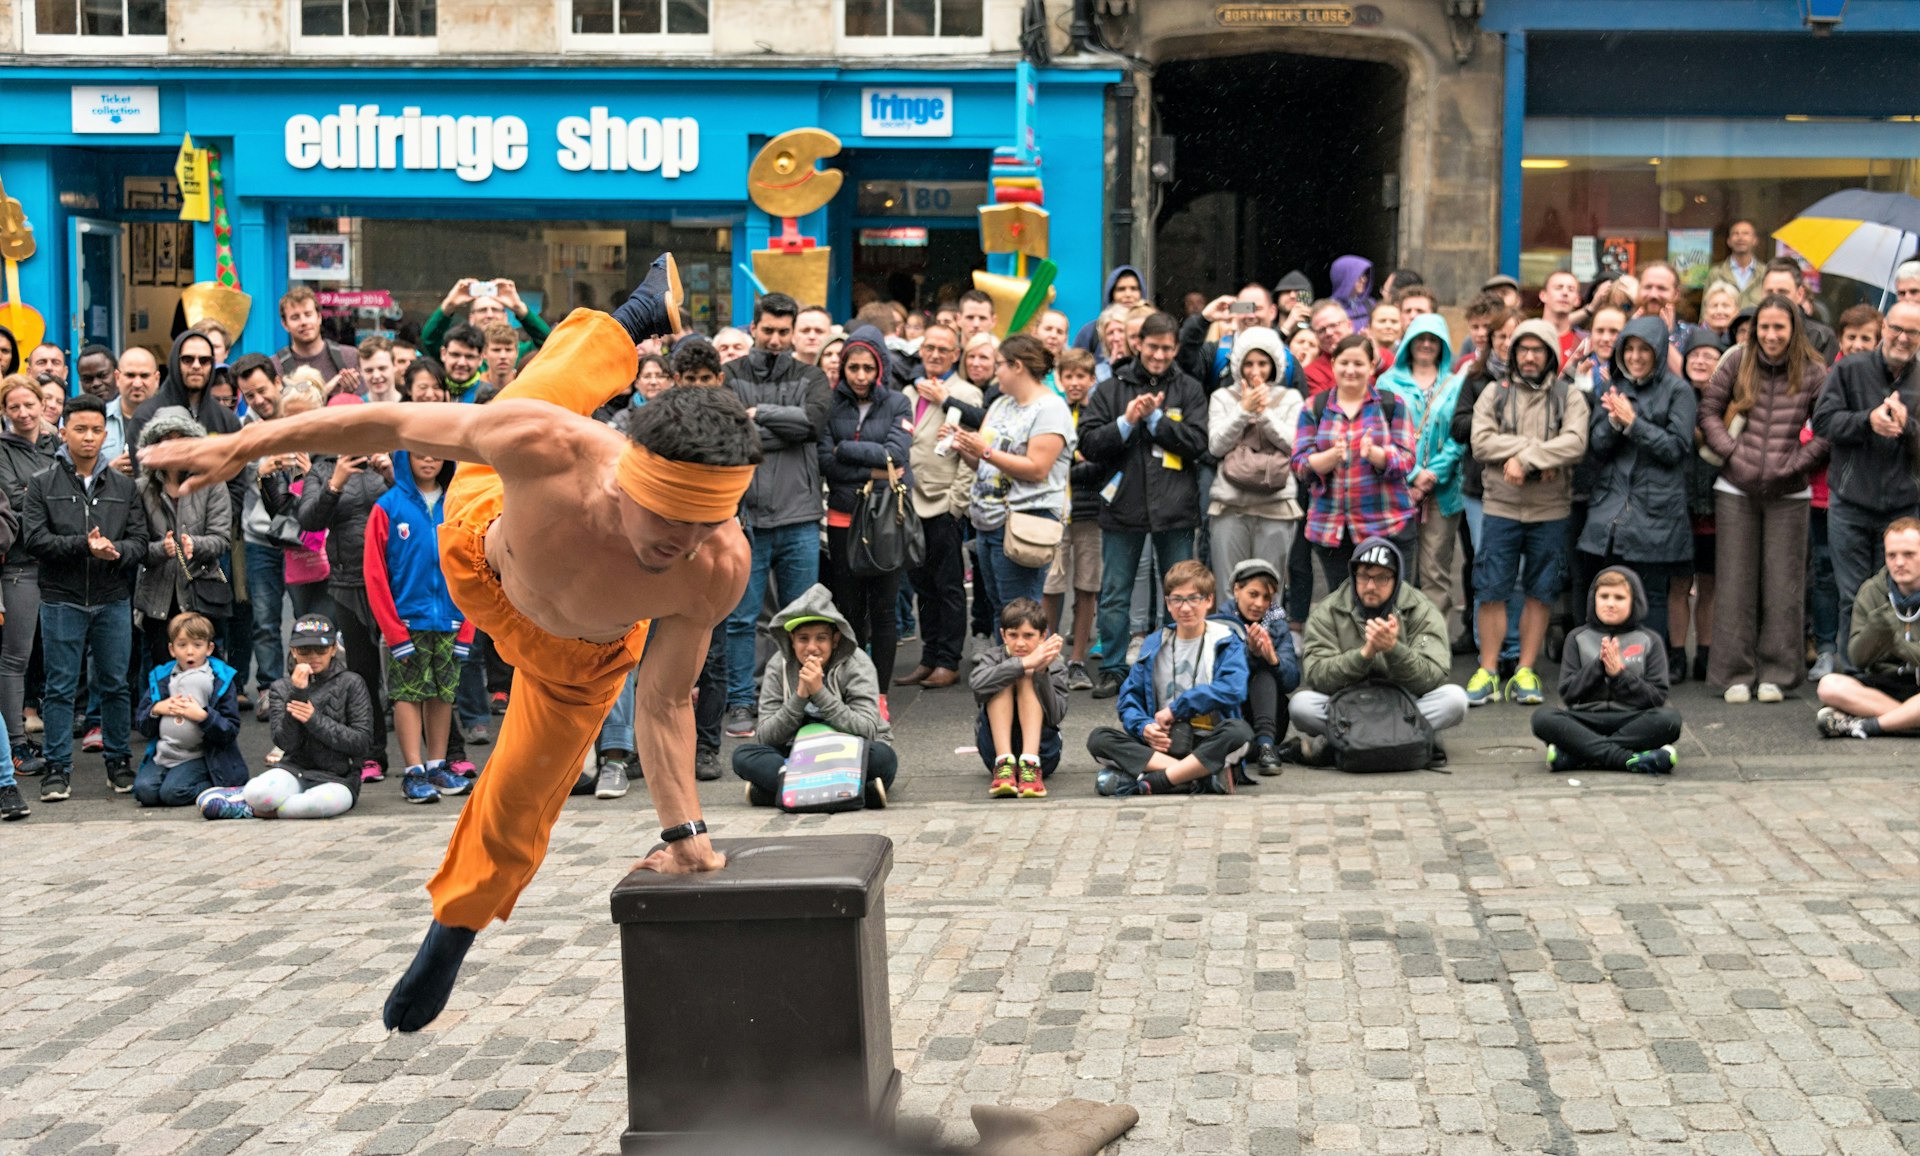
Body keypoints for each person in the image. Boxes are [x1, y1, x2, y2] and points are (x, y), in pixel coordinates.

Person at [142, 254, 756, 1034]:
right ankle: (636, 313)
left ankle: (452, 930)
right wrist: (249, 444)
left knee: (519, 802)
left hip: (580, 657)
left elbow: (667, 701)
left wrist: (685, 836)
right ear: (629, 479)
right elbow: (389, 421)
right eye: (672, 518)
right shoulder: (552, 449)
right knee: (543, 389)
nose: (687, 541)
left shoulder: (716, 565)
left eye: (707, 523)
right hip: (476, 550)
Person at [1700, 294, 1829, 702]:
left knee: (1784, 585)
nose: (1771, 335)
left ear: (1794, 330)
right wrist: (1734, 453)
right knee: (1735, 583)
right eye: (1764, 327)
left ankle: (1779, 674)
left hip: (1790, 491)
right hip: (1735, 486)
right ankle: (1733, 674)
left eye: (1779, 327)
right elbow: (1708, 413)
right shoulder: (1737, 361)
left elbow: (1826, 431)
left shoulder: (1814, 372)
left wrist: (1795, 465)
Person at [23, 393, 146, 802]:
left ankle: (118, 761)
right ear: (63, 432)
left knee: (114, 684)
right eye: (80, 430)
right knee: (59, 687)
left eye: (97, 430)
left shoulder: (125, 485)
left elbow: (140, 542)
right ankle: (58, 768)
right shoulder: (42, 483)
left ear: (106, 434)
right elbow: (35, 539)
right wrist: (83, 545)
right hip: (62, 598)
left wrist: (118, 551)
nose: (89, 438)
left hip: (112, 596)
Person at [1078, 312, 1208, 699]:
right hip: (1123, 503)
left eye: (1168, 348)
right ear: (1139, 344)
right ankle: (1115, 669)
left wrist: (1155, 422)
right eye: (1153, 347)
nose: (1160, 355)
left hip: (1175, 505)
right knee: (1116, 591)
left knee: (1181, 591)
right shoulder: (1111, 386)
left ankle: (1177, 665)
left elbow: (1198, 442)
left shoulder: (1189, 388)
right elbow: (1088, 442)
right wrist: (1126, 420)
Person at [721, 291, 830, 740]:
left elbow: (814, 425)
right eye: (768, 330)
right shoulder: (729, 375)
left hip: (800, 515)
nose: (776, 339)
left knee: (802, 617)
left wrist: (760, 414)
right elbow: (731, 431)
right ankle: (740, 702)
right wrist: (783, 428)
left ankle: (799, 696)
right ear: (753, 328)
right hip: (746, 516)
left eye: (784, 331)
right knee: (741, 618)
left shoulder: (813, 375)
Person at [1466, 319, 1590, 707]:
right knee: (1491, 590)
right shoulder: (1493, 393)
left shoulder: (1569, 397)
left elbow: (1575, 443)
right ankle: (1487, 670)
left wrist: (1526, 460)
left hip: (1551, 510)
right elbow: (1481, 442)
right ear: (1514, 353)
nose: (1530, 356)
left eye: (1538, 349)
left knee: (1541, 591)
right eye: (1524, 349)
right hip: (1501, 506)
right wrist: (1533, 452)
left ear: (1551, 354)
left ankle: (1525, 669)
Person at [1811, 298, 1920, 661]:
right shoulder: (1849, 370)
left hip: (1903, 508)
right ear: (1884, 328)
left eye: (1913, 332)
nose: (1904, 338)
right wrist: (1866, 420)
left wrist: (1908, 428)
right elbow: (1823, 422)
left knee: (1900, 592)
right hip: (1851, 502)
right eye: (1897, 329)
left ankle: (1892, 677)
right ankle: (1852, 674)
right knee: (1853, 596)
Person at [1289, 537, 1466, 758]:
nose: (1371, 586)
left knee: (1455, 699)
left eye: (1382, 578)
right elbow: (1317, 675)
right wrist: (1364, 655)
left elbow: (1434, 675)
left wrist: (1394, 650)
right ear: (1354, 575)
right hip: (1349, 706)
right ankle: (1413, 735)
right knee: (1300, 705)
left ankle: (1341, 740)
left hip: (1404, 704)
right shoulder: (1328, 611)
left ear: (1397, 578)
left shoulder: (1421, 609)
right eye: (1364, 576)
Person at [1088, 560, 1253, 797]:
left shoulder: (1226, 640)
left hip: (1208, 743)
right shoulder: (1155, 642)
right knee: (1099, 739)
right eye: (1177, 599)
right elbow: (1128, 699)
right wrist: (1145, 727)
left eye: (1193, 598)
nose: (1185, 608)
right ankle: (1194, 776)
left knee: (1239, 733)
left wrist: (1177, 709)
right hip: (1162, 746)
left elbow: (1234, 689)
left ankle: (1153, 782)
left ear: (1208, 600)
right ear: (1167, 603)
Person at [1577, 318, 1697, 642]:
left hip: (1657, 511)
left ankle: (1650, 663)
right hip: (1612, 510)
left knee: (1651, 596)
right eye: (1628, 349)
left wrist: (1634, 423)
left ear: (1658, 352)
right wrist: (1614, 424)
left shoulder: (1679, 390)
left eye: (1644, 349)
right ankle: (1607, 662)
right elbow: (1598, 446)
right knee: (1609, 592)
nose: (1635, 356)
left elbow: (1677, 448)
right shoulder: (1617, 386)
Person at [366, 449, 476, 804]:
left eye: (436, 455)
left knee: (444, 693)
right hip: (406, 621)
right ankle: (413, 772)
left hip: (451, 619)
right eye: (419, 454)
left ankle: (437, 764)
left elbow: (474, 565)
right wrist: (393, 630)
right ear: (403, 458)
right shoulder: (387, 506)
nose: (428, 461)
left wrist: (469, 625)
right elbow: (375, 574)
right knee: (407, 694)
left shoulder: (459, 505)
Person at [733, 585, 895, 809]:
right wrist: (800, 696)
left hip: (847, 752)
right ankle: (854, 792)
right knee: (743, 756)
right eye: (803, 639)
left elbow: (867, 728)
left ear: (835, 639)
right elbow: (766, 735)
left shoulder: (857, 663)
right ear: (791, 639)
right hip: (796, 754)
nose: (812, 648)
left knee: (884, 757)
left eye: (821, 638)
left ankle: (778, 791)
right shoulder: (777, 666)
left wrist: (819, 692)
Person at [201, 612, 375, 820]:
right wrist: (298, 693)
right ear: (293, 651)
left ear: (332, 649)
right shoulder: (281, 687)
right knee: (259, 794)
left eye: (320, 649)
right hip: (294, 769)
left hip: (339, 778)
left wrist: (315, 720)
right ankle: (249, 797)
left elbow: (362, 742)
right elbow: (285, 743)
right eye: (304, 650)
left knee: (306, 807)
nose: (313, 656)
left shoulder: (352, 682)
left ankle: (251, 809)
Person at [819, 326, 914, 696]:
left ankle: (882, 694)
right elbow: (825, 462)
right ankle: (855, 690)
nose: (860, 376)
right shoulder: (829, 404)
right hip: (843, 518)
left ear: (880, 369)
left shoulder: (898, 403)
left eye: (868, 368)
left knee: (885, 611)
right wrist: (873, 466)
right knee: (849, 608)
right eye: (853, 368)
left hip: (884, 518)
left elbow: (898, 455)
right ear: (843, 367)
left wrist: (847, 449)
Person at [950, 335, 1075, 614]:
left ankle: (1027, 660)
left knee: (1020, 613)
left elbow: (1038, 469)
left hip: (1025, 522)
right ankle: (1006, 660)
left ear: (1017, 366)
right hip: (988, 522)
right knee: (1001, 610)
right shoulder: (1000, 404)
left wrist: (985, 452)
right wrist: (962, 445)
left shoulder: (1051, 409)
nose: (996, 372)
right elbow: (984, 465)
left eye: (999, 365)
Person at [1292, 333, 1419, 591]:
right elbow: (1298, 463)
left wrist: (1377, 456)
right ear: (1333, 363)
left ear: (1372, 366)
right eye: (1344, 363)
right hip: (1332, 528)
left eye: (1359, 364)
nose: (1351, 370)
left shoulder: (1391, 404)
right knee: (1342, 605)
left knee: (1387, 604)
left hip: (1385, 523)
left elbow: (1407, 459)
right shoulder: (1314, 407)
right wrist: (1328, 458)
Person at [897, 322, 982, 692]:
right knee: (921, 583)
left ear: (955, 355)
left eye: (942, 350)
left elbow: (968, 453)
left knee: (948, 585)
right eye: (928, 347)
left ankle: (949, 660)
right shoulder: (908, 391)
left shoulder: (966, 394)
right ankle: (929, 656)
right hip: (909, 500)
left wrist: (957, 503)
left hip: (943, 501)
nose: (934, 354)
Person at [1530, 567, 1682, 773]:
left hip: (1633, 719)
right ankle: (1627, 759)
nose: (1610, 603)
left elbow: (1656, 698)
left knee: (1669, 721)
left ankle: (1579, 755)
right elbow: (1569, 694)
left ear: (1634, 602)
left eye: (1619, 597)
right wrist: (1599, 666)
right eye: (1604, 596)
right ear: (1594, 599)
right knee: (1542, 718)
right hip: (1586, 719)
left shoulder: (1650, 640)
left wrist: (1619, 675)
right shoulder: (1576, 637)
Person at [133, 408, 233, 667]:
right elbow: (135, 545)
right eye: (166, 440)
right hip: (159, 594)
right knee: (161, 670)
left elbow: (222, 539)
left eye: (181, 439)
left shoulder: (212, 483)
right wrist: (160, 549)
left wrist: (196, 545)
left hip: (201, 590)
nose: (173, 447)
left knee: (205, 668)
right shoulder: (142, 489)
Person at [1205, 326, 1302, 590]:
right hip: (1230, 506)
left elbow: (1294, 445)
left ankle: (1273, 632)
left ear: (1274, 364)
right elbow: (1216, 446)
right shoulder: (1222, 397)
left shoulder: (1291, 398)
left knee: (1272, 588)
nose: (1255, 370)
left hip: (1277, 506)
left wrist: (1264, 414)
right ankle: (1232, 632)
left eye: (1262, 362)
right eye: (1248, 363)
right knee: (1229, 586)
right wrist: (1242, 410)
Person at [1816, 518, 1920, 738]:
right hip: (1885, 686)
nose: (1899, 563)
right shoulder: (1873, 591)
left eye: (1909, 554)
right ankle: (1907, 721)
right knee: (1829, 685)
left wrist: (1897, 644)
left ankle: (1869, 725)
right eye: (1892, 555)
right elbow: (1857, 660)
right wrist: (1875, 631)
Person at [131, 611, 245, 806]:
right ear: (172, 649)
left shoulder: (220, 679)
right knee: (144, 792)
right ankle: (172, 777)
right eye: (182, 645)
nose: (190, 652)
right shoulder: (160, 677)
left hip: (202, 756)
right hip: (166, 754)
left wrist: (203, 716)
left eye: (197, 645)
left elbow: (230, 729)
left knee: (173, 793)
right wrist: (157, 709)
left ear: (209, 649)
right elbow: (141, 724)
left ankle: (217, 783)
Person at [0, 376, 54, 775]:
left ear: (42, 404)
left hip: (59, 565)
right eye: (13, 407)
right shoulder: (1, 450)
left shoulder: (60, 446)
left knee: (55, 660)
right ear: (4, 411)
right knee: (14, 659)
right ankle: (16, 746)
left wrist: (31, 497)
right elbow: (14, 506)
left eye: (28, 404)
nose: (22, 413)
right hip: (19, 567)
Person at [1044, 347, 1105, 689]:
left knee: (1086, 586)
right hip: (1054, 511)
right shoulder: (1052, 411)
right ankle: (1050, 657)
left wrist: (1076, 463)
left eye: (1082, 376)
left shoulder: (1097, 412)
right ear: (1059, 379)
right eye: (1068, 376)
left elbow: (1102, 458)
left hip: (1088, 511)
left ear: (1092, 379)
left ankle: (1077, 659)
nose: (1075, 382)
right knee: (1051, 587)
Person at [970, 596, 1069, 798]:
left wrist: (1040, 672)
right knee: (1007, 674)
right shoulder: (993, 657)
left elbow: (1056, 715)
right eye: (1013, 635)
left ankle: (1029, 766)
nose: (1020, 643)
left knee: (1028, 676)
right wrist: (1021, 664)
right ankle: (1004, 763)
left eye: (1028, 635)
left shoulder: (1055, 665)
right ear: (1003, 635)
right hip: (995, 752)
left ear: (1043, 636)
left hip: (1043, 752)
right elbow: (977, 686)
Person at [1672, 328, 1727, 682]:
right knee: (1678, 584)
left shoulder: (1729, 402)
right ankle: (1676, 655)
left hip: (1717, 509)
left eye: (1709, 355)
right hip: (1678, 507)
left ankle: (1705, 653)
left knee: (1710, 585)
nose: (1701, 361)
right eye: (1694, 355)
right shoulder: (1675, 396)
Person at [1215, 558, 1298, 777]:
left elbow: (1292, 681)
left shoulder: (1278, 625)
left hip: (1270, 719)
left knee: (1265, 671)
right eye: (1253, 594)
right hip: (1231, 717)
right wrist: (1250, 654)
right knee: (1256, 669)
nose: (1260, 604)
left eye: (1266, 598)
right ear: (1236, 590)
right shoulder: (1220, 624)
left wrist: (1274, 660)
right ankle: (1258, 747)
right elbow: (1221, 677)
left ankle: (1266, 747)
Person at [421, 277, 551, 361]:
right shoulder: (463, 355)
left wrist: (519, 308)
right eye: (482, 310)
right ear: (471, 318)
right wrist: (449, 305)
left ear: (505, 317)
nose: (489, 315)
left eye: (495, 310)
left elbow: (550, 343)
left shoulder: (517, 351)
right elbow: (430, 340)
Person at [274, 285, 361, 391]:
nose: (303, 322)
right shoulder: (275, 367)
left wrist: (350, 394)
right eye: (295, 318)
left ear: (319, 317)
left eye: (308, 314)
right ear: (285, 325)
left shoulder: (350, 357)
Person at [1761, 259, 1837, 363]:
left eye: (1783, 292)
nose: (1775, 298)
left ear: (1800, 294)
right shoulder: (1751, 331)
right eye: (1769, 292)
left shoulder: (1821, 336)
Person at [1071, 265, 1148, 352]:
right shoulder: (1091, 331)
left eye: (1134, 288)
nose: (1128, 294)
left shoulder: (1151, 328)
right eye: (1121, 289)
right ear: (1111, 294)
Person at [1707, 220, 1767, 310]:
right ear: (1729, 241)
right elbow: (1706, 311)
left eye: (1745, 233)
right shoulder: (1715, 273)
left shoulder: (1766, 273)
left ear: (1755, 240)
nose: (1740, 237)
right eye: (1735, 233)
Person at [1330, 255, 1376, 331]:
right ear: (1344, 277)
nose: (1364, 280)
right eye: (1358, 276)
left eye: (1364, 275)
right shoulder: (1328, 309)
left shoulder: (1371, 304)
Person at [359, 336, 402, 404]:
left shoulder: (411, 405)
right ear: (360, 371)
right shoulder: (356, 407)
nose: (376, 375)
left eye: (382, 368)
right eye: (369, 370)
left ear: (395, 366)